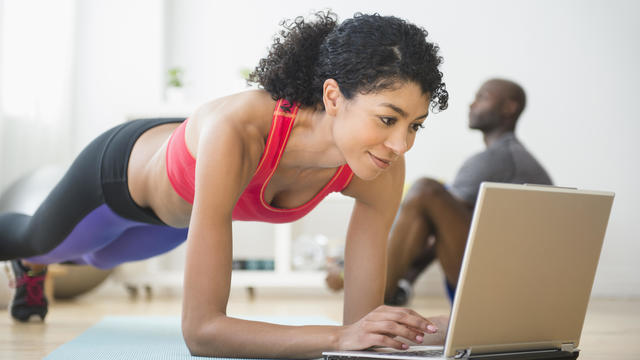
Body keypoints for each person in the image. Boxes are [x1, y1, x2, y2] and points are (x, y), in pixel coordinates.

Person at [0, 11, 449, 358]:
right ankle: (31, 264)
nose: (401, 144)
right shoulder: (240, 130)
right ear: (333, 97)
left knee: (96, 258)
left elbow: (363, 328)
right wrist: (336, 336)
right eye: (388, 119)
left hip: (173, 223)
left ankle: (37, 268)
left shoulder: (381, 167)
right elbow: (201, 332)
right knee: (37, 241)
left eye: (416, 126)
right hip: (119, 178)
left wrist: (439, 329)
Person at [326, 78, 552, 306]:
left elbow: (430, 232)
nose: (471, 104)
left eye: (482, 97)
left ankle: (376, 301)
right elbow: (435, 234)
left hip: (505, 289)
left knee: (427, 190)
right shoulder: (512, 157)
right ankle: (387, 294)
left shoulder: (498, 160)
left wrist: (356, 275)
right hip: (516, 283)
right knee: (429, 196)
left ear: (509, 107)